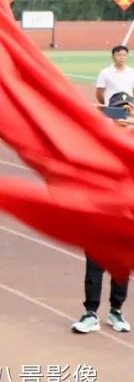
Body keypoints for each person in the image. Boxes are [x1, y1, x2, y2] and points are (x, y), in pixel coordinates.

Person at [72, 91, 132, 334]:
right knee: (94, 266)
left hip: (126, 215)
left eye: (128, 109)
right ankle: (90, 313)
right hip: (98, 211)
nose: (123, 114)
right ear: (109, 112)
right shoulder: (98, 140)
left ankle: (116, 310)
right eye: (119, 109)